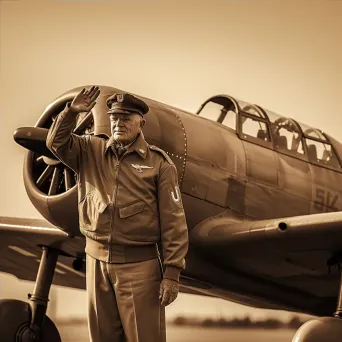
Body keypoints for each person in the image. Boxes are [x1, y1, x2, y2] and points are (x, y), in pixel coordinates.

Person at [46, 85, 189, 342]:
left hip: (140, 266)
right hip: (96, 261)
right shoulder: (90, 150)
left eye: (126, 118)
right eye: (114, 117)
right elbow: (55, 143)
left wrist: (171, 274)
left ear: (141, 122)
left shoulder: (159, 164)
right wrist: (71, 112)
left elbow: (174, 222)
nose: (118, 123)